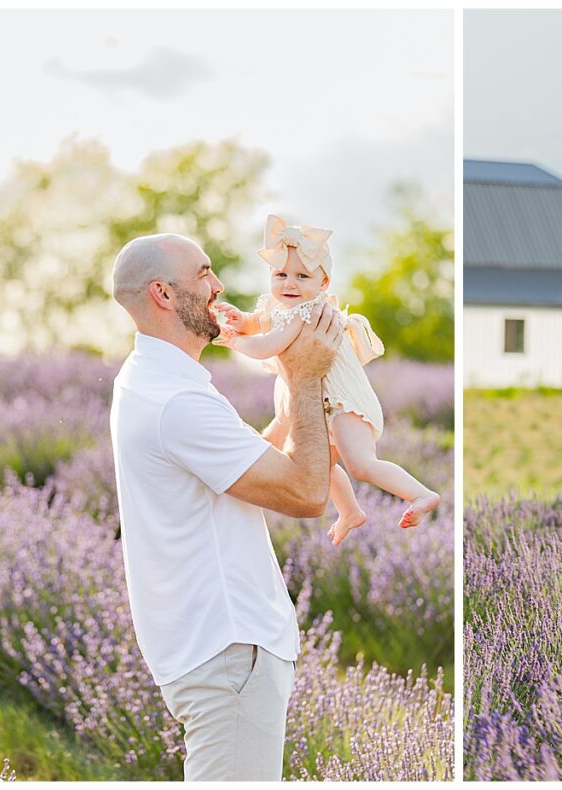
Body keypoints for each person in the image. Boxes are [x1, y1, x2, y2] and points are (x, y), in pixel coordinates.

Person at [110, 232, 344, 781]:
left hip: (210, 648)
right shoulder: (179, 402)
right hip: (228, 651)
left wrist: (290, 396)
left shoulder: (150, 381)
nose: (218, 287)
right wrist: (306, 376)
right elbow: (307, 493)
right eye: (205, 273)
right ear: (164, 294)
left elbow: (240, 468)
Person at [215, 215, 440, 542]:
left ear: (323, 284)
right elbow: (257, 323)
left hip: (343, 403)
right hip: (321, 405)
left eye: (301, 276)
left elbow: (267, 346)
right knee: (320, 467)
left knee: (361, 464)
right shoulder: (281, 307)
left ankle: (420, 495)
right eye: (280, 275)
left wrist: (234, 341)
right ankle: (350, 511)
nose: (289, 284)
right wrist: (240, 320)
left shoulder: (308, 311)